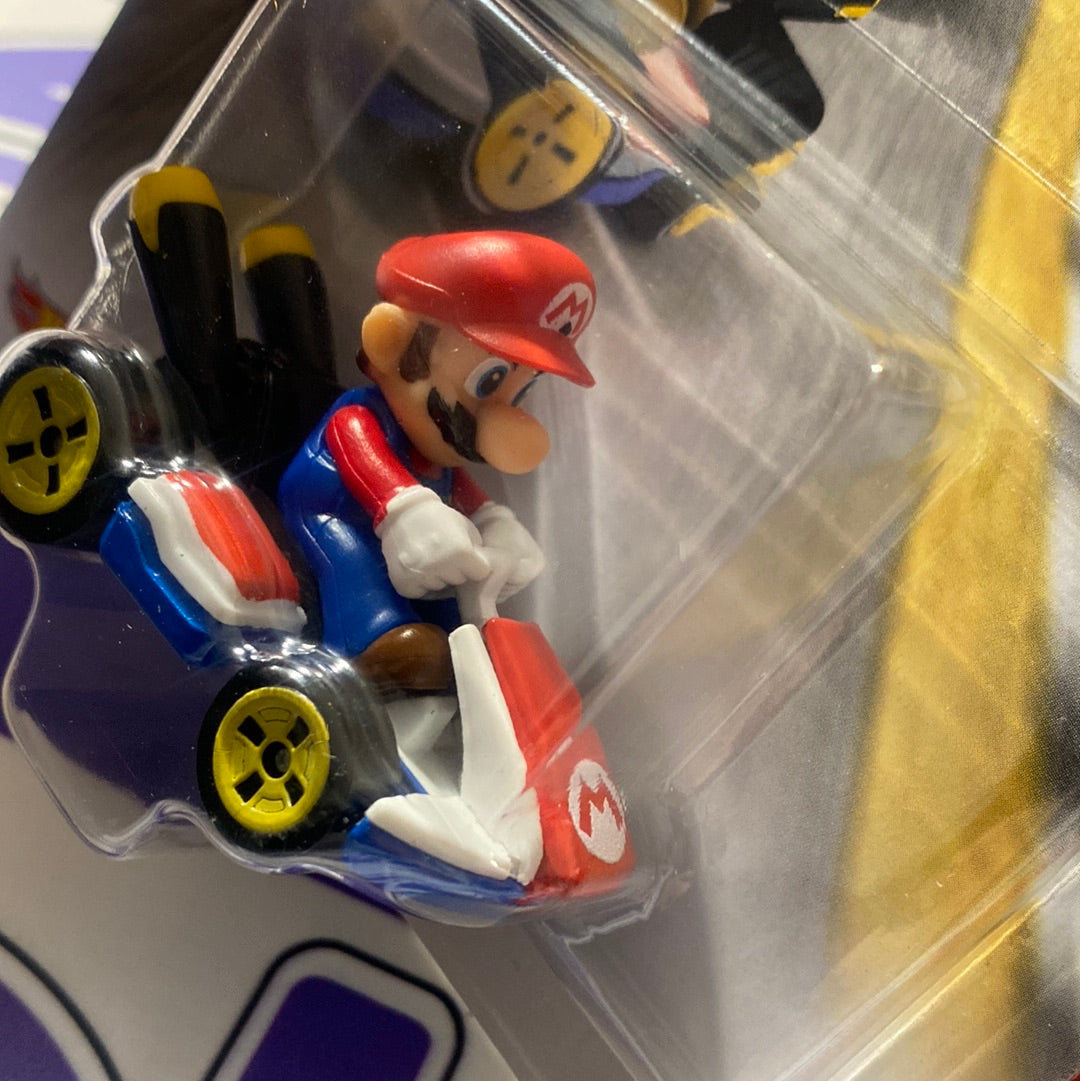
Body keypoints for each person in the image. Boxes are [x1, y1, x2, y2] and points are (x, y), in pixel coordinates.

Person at [278, 230, 597, 692]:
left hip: (408, 533)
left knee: (454, 592)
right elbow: (363, 462)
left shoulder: (437, 456)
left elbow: (460, 490)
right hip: (332, 513)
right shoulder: (359, 418)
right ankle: (368, 642)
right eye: (489, 382)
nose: (504, 418)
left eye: (520, 391)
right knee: (353, 563)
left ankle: (457, 652)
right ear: (390, 341)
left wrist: (492, 523)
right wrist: (406, 511)